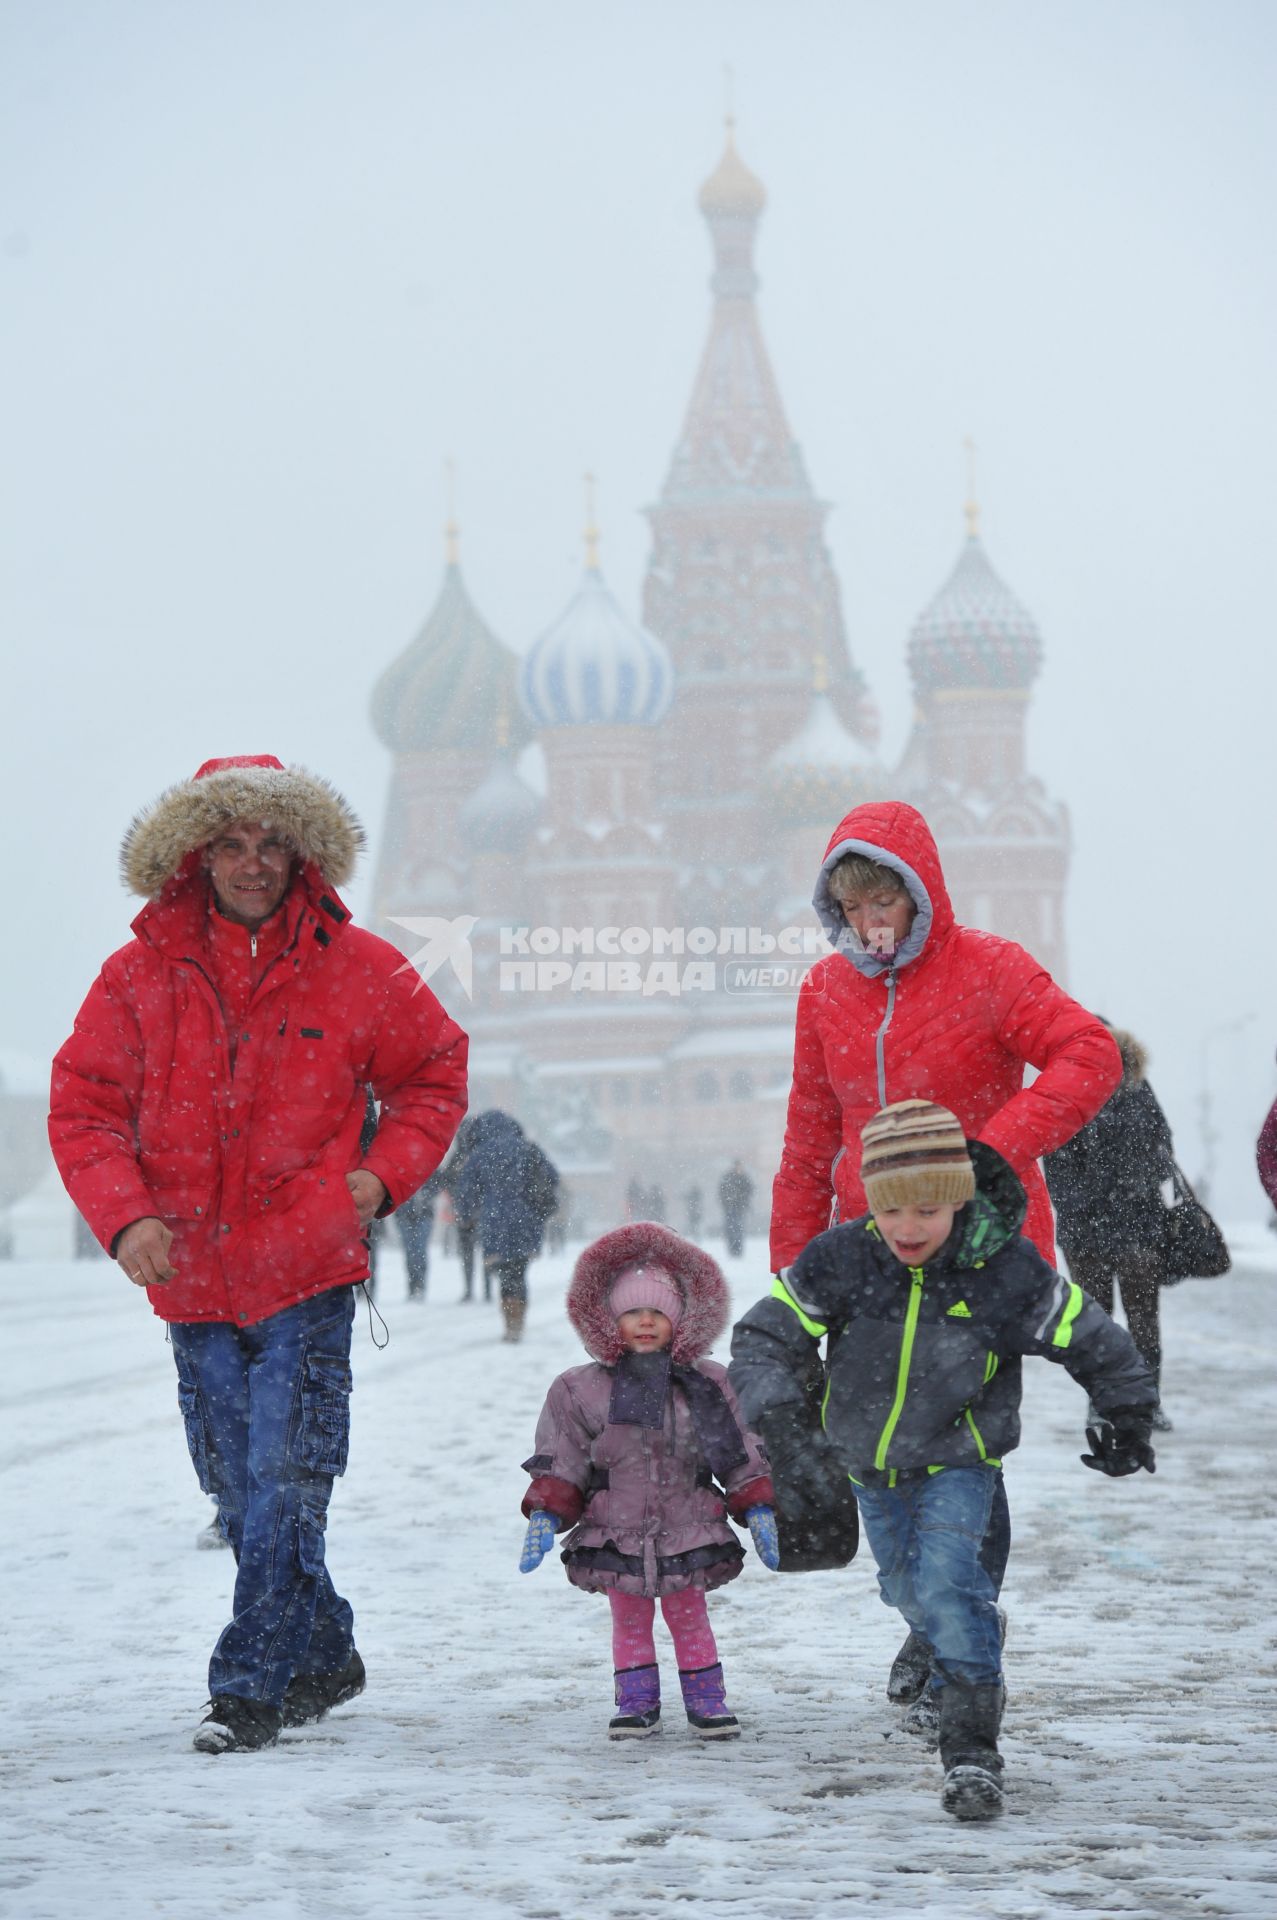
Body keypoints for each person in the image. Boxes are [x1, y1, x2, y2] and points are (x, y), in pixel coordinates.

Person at [48, 755, 468, 1754]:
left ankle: (249, 1685)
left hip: (307, 1272)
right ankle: (323, 1651)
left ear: (301, 854)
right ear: (195, 855)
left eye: (270, 843)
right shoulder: (139, 974)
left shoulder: (356, 966)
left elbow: (433, 1076)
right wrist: (126, 1218)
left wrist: (372, 1182)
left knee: (286, 1477)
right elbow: (84, 1109)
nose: (251, 863)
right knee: (237, 1490)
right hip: (188, 1280)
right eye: (231, 844)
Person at [771, 798, 1122, 1703]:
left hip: (983, 1249)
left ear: (917, 892)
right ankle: (934, 1617)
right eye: (847, 908)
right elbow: (810, 1139)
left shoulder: (990, 970)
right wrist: (792, 1268)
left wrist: (993, 1152)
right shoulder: (824, 992)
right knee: (881, 1448)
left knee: (963, 1444)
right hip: (867, 1257)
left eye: (879, 901)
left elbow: (1089, 1053)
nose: (865, 923)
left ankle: (955, 1620)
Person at [731, 1099, 1157, 1821]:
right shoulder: (841, 1259)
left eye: (927, 1210)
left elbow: (1087, 1333)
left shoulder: (1002, 1268)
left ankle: (970, 1754)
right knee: (906, 1589)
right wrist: (781, 1416)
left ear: (957, 1200)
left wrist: (1125, 1409)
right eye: (891, 1208)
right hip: (868, 1464)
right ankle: (949, 1633)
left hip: (962, 1458)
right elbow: (763, 1337)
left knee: (951, 1590)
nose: (907, 1227)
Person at [519, 1223, 778, 1739]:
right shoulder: (581, 1389)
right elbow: (564, 1453)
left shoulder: (707, 1384)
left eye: (657, 1312)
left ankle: (707, 1700)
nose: (644, 1322)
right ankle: (636, 1702)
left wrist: (757, 1503)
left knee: (689, 1616)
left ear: (679, 1318)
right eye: (632, 1311)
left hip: (688, 1524)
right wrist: (547, 1509)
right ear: (609, 1318)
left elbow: (739, 1446)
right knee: (630, 1621)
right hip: (616, 1528)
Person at [1044, 1026, 1178, 1430]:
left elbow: (1163, 1149)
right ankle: (1101, 1403)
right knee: (1094, 1322)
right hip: (1086, 1232)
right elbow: (1055, 1157)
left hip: (1138, 1225)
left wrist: (1134, 1183)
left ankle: (1146, 1403)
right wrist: (1082, 1203)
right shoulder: (1070, 1093)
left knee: (1143, 1320)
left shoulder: (1140, 1092)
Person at [451, 1110, 559, 1341]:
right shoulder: (528, 1149)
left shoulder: (480, 1154)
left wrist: (466, 1213)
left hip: (494, 1220)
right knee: (519, 1270)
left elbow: (466, 1189)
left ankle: (511, 1321)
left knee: (505, 1271)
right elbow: (552, 1177)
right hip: (526, 1219)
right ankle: (518, 1319)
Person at [719, 1160, 753, 1258]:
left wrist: (743, 1201)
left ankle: (737, 1249)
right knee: (731, 1228)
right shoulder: (729, 1178)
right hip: (730, 1208)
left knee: (738, 1228)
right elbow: (722, 1192)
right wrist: (726, 1203)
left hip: (739, 1208)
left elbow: (749, 1191)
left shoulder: (743, 1178)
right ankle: (732, 1249)